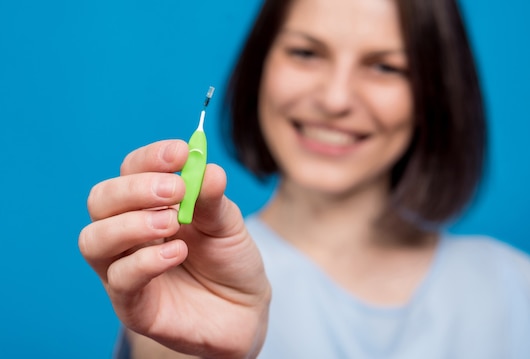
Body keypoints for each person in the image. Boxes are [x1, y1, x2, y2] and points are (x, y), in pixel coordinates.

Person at [79, 0, 530, 357]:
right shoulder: (190, 281)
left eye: (385, 66)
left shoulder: (513, 288)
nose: (335, 99)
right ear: (260, 67)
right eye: (306, 52)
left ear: (433, 91)